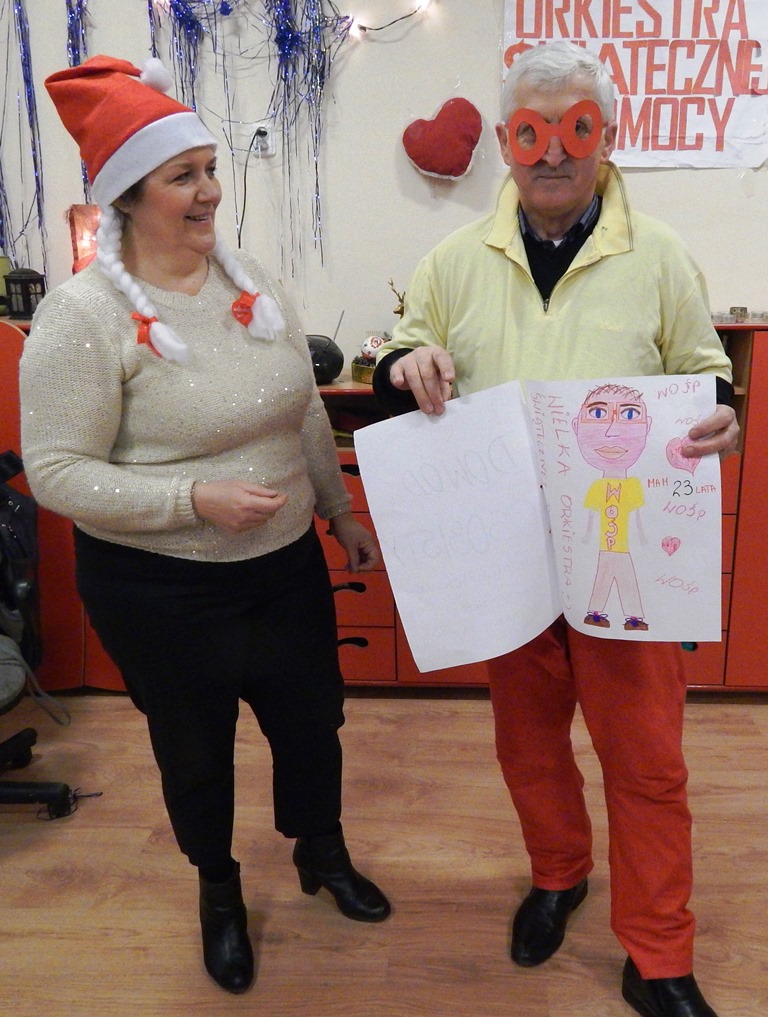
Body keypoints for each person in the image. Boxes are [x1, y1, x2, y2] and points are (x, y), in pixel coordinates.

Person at [373, 41, 737, 1017]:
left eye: (576, 129)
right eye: (532, 133)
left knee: (647, 761)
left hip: (626, 555)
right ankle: (558, 874)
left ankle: (658, 954)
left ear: (607, 136)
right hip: (506, 557)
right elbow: (403, 353)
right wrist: (407, 367)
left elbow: (705, 370)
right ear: (505, 141)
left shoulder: (660, 255)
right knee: (529, 747)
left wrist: (720, 412)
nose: (554, 153)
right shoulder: (454, 261)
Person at [20, 55, 390, 996]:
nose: (209, 191)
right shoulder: (82, 316)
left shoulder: (247, 278)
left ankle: (321, 850)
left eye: (210, 168)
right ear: (126, 196)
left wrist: (337, 510)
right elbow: (56, 472)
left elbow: (301, 409)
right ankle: (218, 890)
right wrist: (193, 499)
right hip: (161, 587)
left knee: (313, 723)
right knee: (195, 749)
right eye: (182, 176)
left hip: (282, 563)